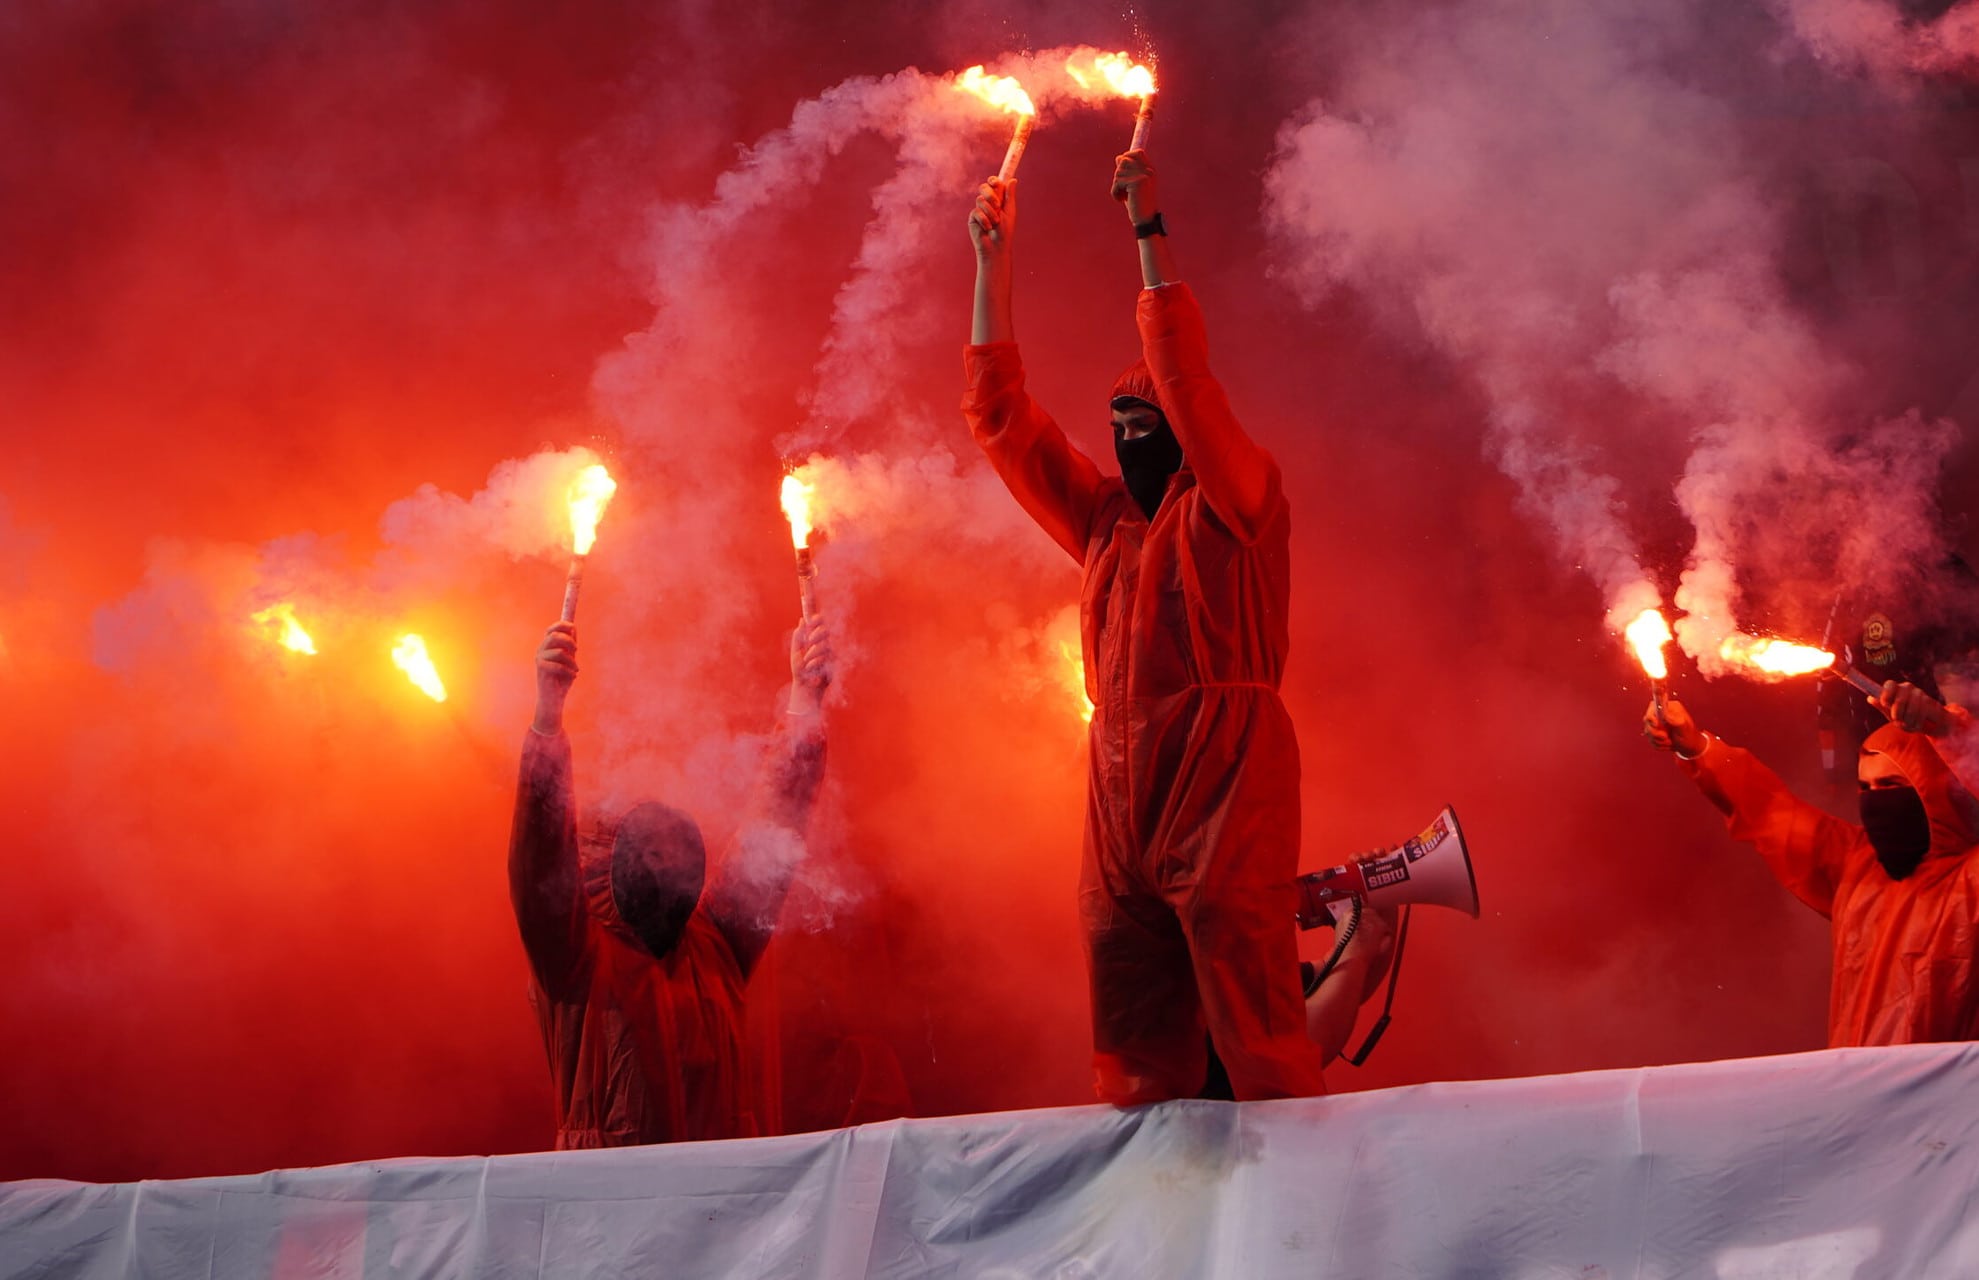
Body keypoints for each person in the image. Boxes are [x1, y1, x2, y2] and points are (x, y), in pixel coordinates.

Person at [964, 149, 1327, 1103]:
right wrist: (990, 267)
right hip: (1118, 790)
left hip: (1223, 772)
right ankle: (1148, 1223)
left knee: (1249, 1014)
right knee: (1128, 1038)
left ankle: (1303, 1218)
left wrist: (1147, 231)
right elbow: (1001, 422)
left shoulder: (1238, 502)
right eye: (1115, 421)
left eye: (1146, 418)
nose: (1128, 435)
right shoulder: (1105, 526)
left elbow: (1189, 377)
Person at [509, 615, 830, 1147]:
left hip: (719, 1212)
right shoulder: (576, 958)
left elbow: (771, 832)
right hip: (611, 1216)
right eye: (650, 851)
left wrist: (805, 702)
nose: (666, 863)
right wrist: (547, 716)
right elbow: (538, 859)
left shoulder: (715, 946)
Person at [1644, 681, 1979, 1045]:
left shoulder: (1969, 880)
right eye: (1865, 788)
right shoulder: (1855, 862)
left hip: (1951, 1097)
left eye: (1892, 785)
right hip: (1861, 1089)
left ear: (1934, 789)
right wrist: (1698, 749)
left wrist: (1951, 734)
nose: (1876, 800)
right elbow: (1768, 811)